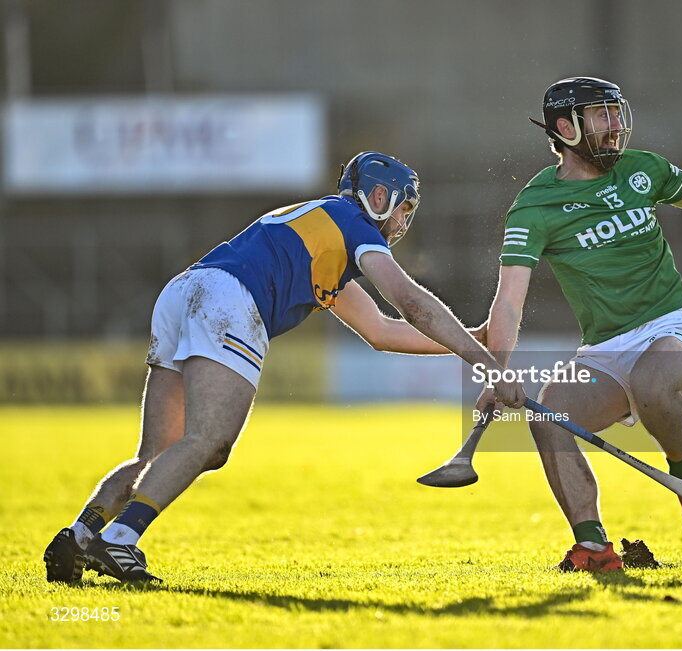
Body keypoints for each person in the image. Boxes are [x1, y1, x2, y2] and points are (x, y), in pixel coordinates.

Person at [44, 151, 525, 583]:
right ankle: (122, 540)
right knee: (210, 442)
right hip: (230, 300)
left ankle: (82, 534)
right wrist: (487, 364)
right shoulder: (350, 221)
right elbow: (410, 303)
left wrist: (472, 338)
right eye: (404, 208)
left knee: (157, 450)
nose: (403, 222)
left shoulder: (324, 236)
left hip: (186, 291)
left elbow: (380, 330)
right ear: (379, 196)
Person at [476, 77, 682, 571]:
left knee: (651, 382)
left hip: (669, 327)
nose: (616, 125)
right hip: (604, 348)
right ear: (565, 128)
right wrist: (497, 369)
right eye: (602, 115)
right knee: (548, 418)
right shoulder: (534, 207)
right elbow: (509, 301)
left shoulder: (643, 169)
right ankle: (593, 548)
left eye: (617, 114)